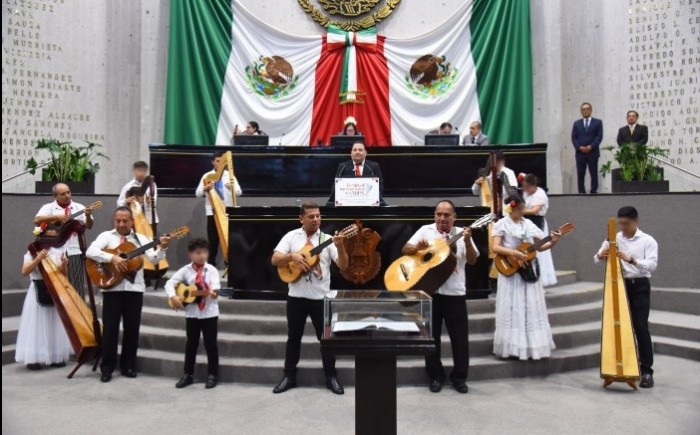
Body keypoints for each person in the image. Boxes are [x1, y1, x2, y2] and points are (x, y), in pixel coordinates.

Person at [270, 202, 349, 395]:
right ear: (301, 219)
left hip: (321, 299)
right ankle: (289, 376)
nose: (316, 219)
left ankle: (331, 376)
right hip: (296, 298)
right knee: (293, 338)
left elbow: (344, 266)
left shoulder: (328, 240)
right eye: (311, 216)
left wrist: (341, 247)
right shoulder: (291, 237)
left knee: (326, 340)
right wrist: (292, 257)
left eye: (318, 216)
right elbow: (275, 259)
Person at [86, 207, 171, 382]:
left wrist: (162, 248)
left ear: (132, 221)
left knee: (132, 330)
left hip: (134, 290)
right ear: (114, 220)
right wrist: (112, 258)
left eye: (125, 221)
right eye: (118, 220)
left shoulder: (141, 239)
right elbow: (90, 252)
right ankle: (107, 368)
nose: (121, 224)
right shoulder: (106, 236)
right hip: (112, 289)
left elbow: (154, 258)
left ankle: (128, 366)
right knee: (110, 330)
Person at [402, 200, 479, 394]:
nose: (442, 218)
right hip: (431, 294)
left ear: (454, 217)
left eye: (446, 215)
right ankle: (435, 376)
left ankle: (459, 377)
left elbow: (472, 260)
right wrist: (419, 249)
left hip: (455, 294)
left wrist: (467, 241)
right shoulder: (425, 230)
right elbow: (406, 249)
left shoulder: (462, 233)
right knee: (430, 339)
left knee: (459, 339)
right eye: (438, 214)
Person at [594, 206, 658, 388]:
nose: (623, 227)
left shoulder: (647, 240)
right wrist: (601, 254)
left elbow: (652, 265)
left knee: (640, 326)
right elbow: (596, 258)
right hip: (619, 285)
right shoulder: (614, 238)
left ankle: (647, 371)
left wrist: (631, 259)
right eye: (620, 224)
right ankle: (617, 365)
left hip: (639, 286)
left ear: (635, 221)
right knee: (616, 324)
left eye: (626, 224)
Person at [491, 195, 560, 360]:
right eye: (520, 209)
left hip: (528, 269)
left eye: (524, 208)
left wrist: (553, 241)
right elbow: (495, 247)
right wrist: (513, 253)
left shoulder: (528, 224)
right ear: (511, 209)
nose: (523, 211)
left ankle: (531, 346)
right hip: (511, 269)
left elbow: (540, 246)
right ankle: (512, 347)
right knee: (513, 306)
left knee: (530, 305)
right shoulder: (501, 224)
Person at [15, 223, 72, 370]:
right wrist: (38, 259)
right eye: (48, 237)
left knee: (54, 323)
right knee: (37, 324)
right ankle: (34, 358)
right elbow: (24, 272)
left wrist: (64, 264)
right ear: (41, 237)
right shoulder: (32, 252)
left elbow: (62, 274)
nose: (51, 241)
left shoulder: (58, 252)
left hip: (54, 289)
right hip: (37, 289)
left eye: (54, 238)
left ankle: (55, 357)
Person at [166, 238, 220, 389]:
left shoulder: (212, 270)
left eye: (205, 252)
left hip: (209, 313)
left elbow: (215, 287)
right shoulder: (186, 270)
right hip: (192, 313)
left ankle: (212, 374)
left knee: (210, 344)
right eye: (198, 253)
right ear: (190, 254)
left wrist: (213, 293)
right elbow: (169, 283)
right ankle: (188, 374)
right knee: (191, 344)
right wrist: (173, 296)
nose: (202, 256)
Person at [35, 183, 94, 298]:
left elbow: (89, 226)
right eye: (63, 194)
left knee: (77, 286)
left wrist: (87, 216)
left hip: (74, 251)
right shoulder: (48, 207)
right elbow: (37, 220)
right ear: (55, 196)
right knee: (56, 284)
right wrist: (56, 217)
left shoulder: (79, 207)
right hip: (54, 252)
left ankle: (78, 308)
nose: (67, 195)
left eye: (68, 192)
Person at [195, 152, 243, 267]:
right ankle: (210, 265)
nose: (219, 163)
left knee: (230, 240)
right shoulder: (207, 176)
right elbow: (198, 193)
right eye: (217, 161)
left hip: (228, 211)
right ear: (212, 162)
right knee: (213, 241)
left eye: (222, 161)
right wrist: (205, 188)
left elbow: (239, 192)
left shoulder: (229, 175)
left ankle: (230, 264)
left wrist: (231, 188)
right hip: (212, 212)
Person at [522, 174, 557, 287]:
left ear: (533, 185)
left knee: (538, 249)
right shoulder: (526, 194)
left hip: (537, 222)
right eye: (524, 187)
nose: (525, 189)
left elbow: (534, 210)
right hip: (526, 222)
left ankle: (540, 278)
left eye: (527, 187)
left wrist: (518, 211)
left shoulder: (540, 194)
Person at [571, 102, 604, 194]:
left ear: (591, 110)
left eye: (587, 109)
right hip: (580, 153)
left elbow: (599, 136)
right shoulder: (577, 123)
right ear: (581, 111)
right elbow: (574, 138)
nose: (585, 111)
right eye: (583, 109)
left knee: (593, 173)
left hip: (593, 152)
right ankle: (581, 191)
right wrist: (579, 147)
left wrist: (591, 146)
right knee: (580, 173)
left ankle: (593, 190)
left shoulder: (598, 122)